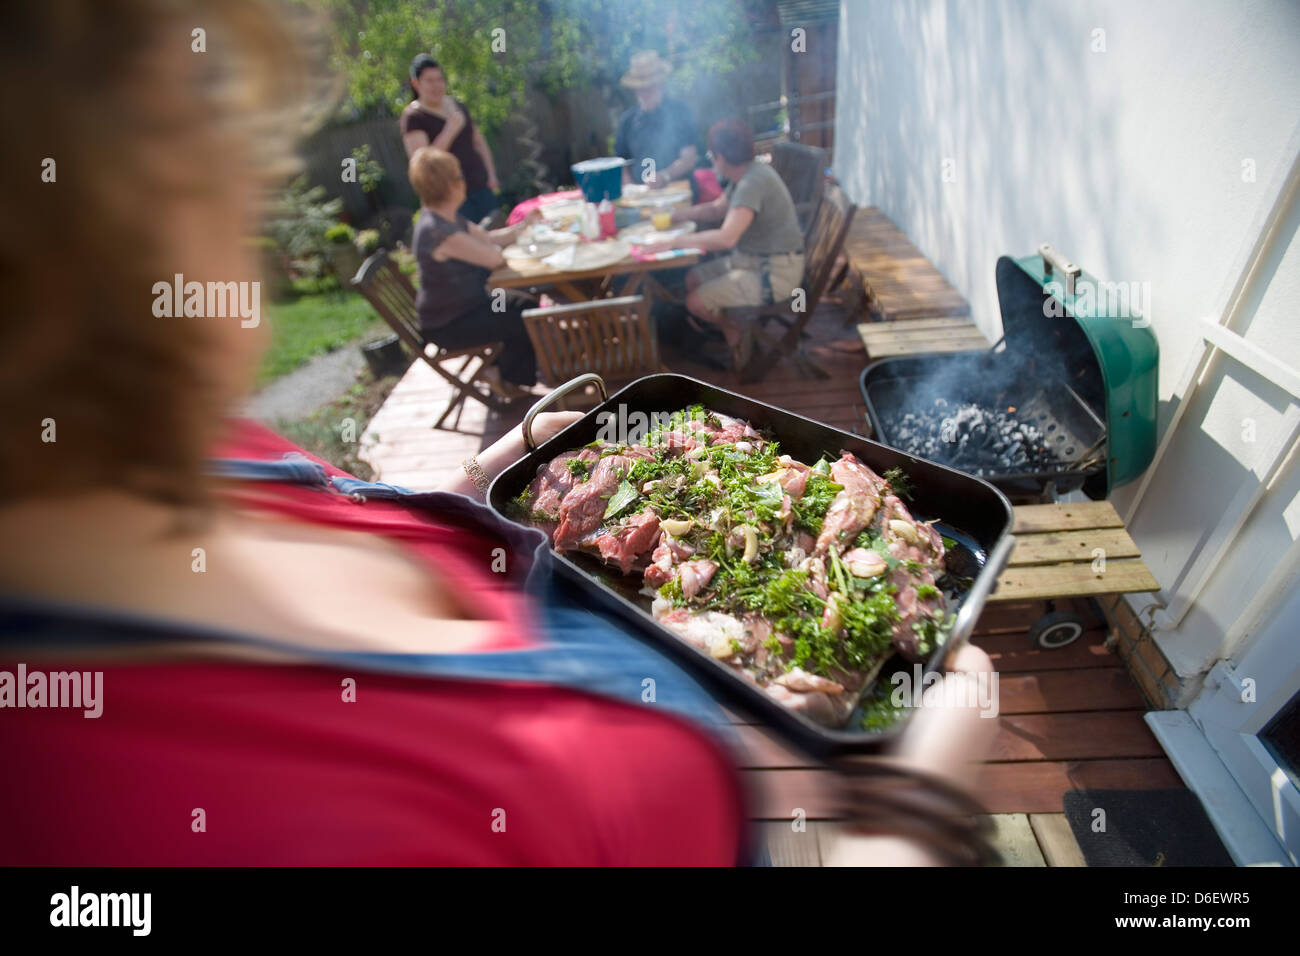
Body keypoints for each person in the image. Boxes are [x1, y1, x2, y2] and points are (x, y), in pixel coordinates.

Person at [0, 0, 996, 867]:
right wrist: (912, 828)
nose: (248, 178)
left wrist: (476, 489)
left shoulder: (195, 446)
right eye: (203, 101)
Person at [644, 118, 805, 368]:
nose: (711, 159)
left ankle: (733, 331)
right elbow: (715, 210)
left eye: (712, 155)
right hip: (753, 260)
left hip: (774, 273)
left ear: (720, 157)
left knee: (694, 302)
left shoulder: (752, 183)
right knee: (692, 280)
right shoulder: (746, 175)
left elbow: (726, 237)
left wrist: (673, 242)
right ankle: (728, 327)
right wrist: (678, 215)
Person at [408, 146, 539, 392]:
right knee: (524, 311)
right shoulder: (438, 231)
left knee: (525, 301)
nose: (463, 181)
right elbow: (493, 259)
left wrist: (523, 227)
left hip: (464, 308)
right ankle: (504, 376)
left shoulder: (444, 218)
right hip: (450, 325)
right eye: (459, 176)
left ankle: (505, 370)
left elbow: (489, 239)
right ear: (451, 185)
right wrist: (500, 248)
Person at [400, 53, 500, 224]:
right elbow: (423, 165)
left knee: (499, 235)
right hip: (450, 199)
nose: (436, 85)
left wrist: (491, 174)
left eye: (439, 79)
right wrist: (449, 131)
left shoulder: (457, 106)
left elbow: (479, 142)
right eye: (430, 81)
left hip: (480, 186)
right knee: (474, 248)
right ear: (416, 83)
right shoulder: (413, 117)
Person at [615, 51, 699, 189]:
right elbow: (623, 163)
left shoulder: (680, 112)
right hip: (641, 194)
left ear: (660, 84)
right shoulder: (628, 121)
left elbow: (688, 158)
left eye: (648, 87)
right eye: (640, 88)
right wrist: (631, 188)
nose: (643, 92)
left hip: (677, 190)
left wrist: (664, 176)